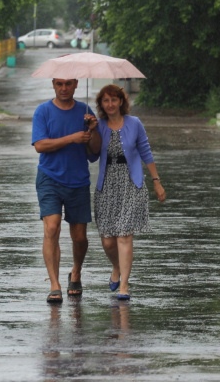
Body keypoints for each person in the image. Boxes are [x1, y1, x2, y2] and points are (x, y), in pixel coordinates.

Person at [89, 84, 166, 301]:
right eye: (106, 101)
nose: (110, 104)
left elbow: (145, 151)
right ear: (101, 104)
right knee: (107, 240)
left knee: (124, 235)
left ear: (121, 101)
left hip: (131, 183)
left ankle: (124, 285)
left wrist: (156, 182)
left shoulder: (134, 123)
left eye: (114, 100)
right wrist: (91, 131)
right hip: (107, 185)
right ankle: (116, 267)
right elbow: (92, 156)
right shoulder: (99, 125)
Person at [32, 78, 100, 304]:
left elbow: (94, 153)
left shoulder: (85, 112)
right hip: (49, 177)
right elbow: (40, 145)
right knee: (52, 227)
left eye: (68, 84)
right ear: (52, 84)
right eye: (59, 84)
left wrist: (93, 130)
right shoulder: (43, 111)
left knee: (80, 237)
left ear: (76, 84)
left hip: (78, 180)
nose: (64, 88)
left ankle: (76, 271)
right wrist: (72, 138)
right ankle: (54, 284)